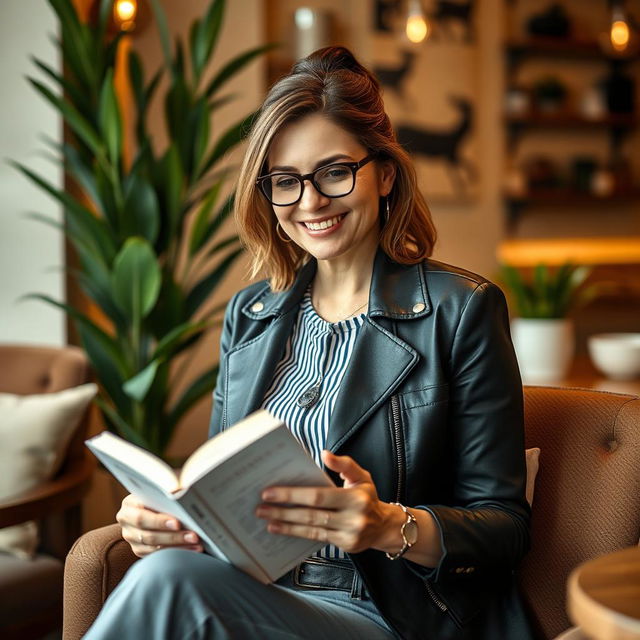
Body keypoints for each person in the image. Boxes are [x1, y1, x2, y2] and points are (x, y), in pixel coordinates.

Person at [85, 46, 534, 640]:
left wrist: (385, 525)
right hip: (256, 594)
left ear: (385, 173)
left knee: (166, 585)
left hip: (389, 613)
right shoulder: (251, 313)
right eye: (286, 181)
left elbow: (504, 525)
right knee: (167, 570)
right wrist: (167, 523)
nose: (311, 201)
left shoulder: (461, 310)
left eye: (334, 171)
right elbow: (220, 488)